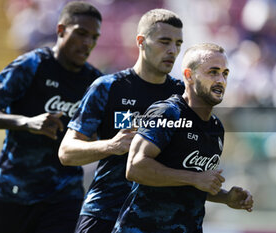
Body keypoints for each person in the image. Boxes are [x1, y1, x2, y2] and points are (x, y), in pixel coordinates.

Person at [0, 2, 103, 233]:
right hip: (14, 191)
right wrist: (27, 123)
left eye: (94, 37)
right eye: (81, 33)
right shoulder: (31, 65)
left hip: (64, 196)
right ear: (61, 30)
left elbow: (107, 131)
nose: (87, 43)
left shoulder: (95, 83)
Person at [58, 9, 184, 233]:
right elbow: (66, 152)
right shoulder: (107, 87)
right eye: (164, 41)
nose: (172, 50)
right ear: (141, 42)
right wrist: (111, 146)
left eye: (178, 43)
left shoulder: (182, 95)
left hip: (161, 219)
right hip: (106, 212)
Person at [112, 43, 254, 233]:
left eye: (225, 73)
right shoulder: (168, 113)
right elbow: (135, 167)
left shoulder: (216, 127)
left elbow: (190, 185)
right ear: (189, 76)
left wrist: (225, 197)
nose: (220, 80)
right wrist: (195, 178)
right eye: (212, 72)